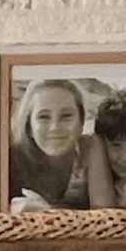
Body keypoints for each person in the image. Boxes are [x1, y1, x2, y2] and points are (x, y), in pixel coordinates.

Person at [8, 77, 91, 209]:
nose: (55, 127)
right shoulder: (9, 161)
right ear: (29, 126)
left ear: (81, 123)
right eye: (43, 117)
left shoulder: (91, 154)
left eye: (66, 116)